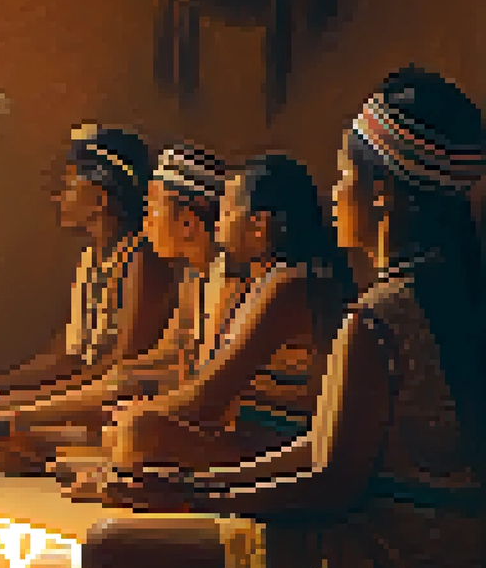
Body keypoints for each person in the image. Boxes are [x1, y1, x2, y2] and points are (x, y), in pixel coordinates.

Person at [79, 66, 486, 568]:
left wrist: (198, 498)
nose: (334, 192)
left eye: (346, 176)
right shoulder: (441, 296)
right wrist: (197, 487)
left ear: (384, 195)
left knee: (109, 548)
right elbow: (323, 453)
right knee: (148, 533)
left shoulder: (379, 316)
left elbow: (328, 482)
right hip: (446, 566)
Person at [63, 152, 356, 488]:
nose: (218, 223)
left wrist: (141, 412)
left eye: (228, 212)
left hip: (279, 448)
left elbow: (208, 396)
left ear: (258, 227)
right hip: (243, 436)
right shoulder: (264, 282)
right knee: (131, 428)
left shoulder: (290, 285)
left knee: (138, 431)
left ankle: (137, 473)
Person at [0, 144, 229, 474]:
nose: (145, 217)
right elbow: (139, 361)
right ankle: (36, 440)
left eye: (153, 206)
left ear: (188, 224)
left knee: (131, 418)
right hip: (158, 399)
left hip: (204, 414)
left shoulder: (165, 264)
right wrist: (7, 391)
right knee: (124, 399)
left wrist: (15, 407)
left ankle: (36, 441)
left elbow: (178, 378)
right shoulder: (193, 275)